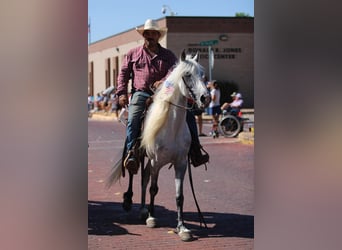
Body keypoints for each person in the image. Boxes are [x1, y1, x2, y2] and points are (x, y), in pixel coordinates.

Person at [116, 18, 209, 174]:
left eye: (154, 33)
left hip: (164, 93)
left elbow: (174, 72)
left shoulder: (168, 55)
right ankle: (132, 152)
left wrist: (163, 81)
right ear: (143, 35)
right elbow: (123, 74)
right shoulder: (133, 53)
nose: (150, 36)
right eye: (148, 33)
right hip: (141, 92)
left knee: (188, 116)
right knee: (133, 118)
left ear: (158, 36)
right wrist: (121, 93)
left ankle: (196, 151)